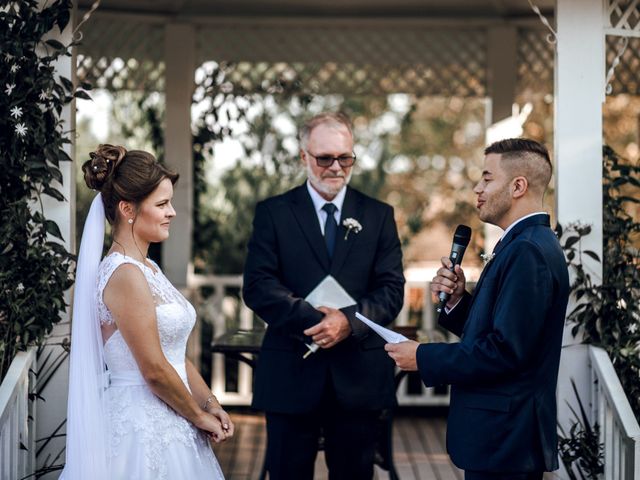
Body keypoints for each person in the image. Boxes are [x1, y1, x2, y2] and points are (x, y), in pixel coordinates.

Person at [385, 138, 570, 480]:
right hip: (500, 436)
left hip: (506, 438)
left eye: (487, 178)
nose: (477, 188)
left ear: (518, 186)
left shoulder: (528, 251)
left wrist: (423, 357)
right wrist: (457, 301)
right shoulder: (521, 244)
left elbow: (505, 352)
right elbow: (504, 332)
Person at [242, 112, 405, 479]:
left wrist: (348, 322)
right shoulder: (274, 213)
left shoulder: (378, 215)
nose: (336, 167)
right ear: (304, 157)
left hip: (358, 377)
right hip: (291, 372)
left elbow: (392, 290)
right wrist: (318, 322)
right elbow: (257, 285)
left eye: (344, 157)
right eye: (324, 158)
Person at [61, 145, 234, 480]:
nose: (171, 212)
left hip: (173, 414)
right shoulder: (124, 274)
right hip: (141, 429)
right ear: (128, 209)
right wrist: (199, 418)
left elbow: (174, 357)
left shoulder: (149, 268)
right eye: (161, 204)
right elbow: (153, 369)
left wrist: (210, 404)